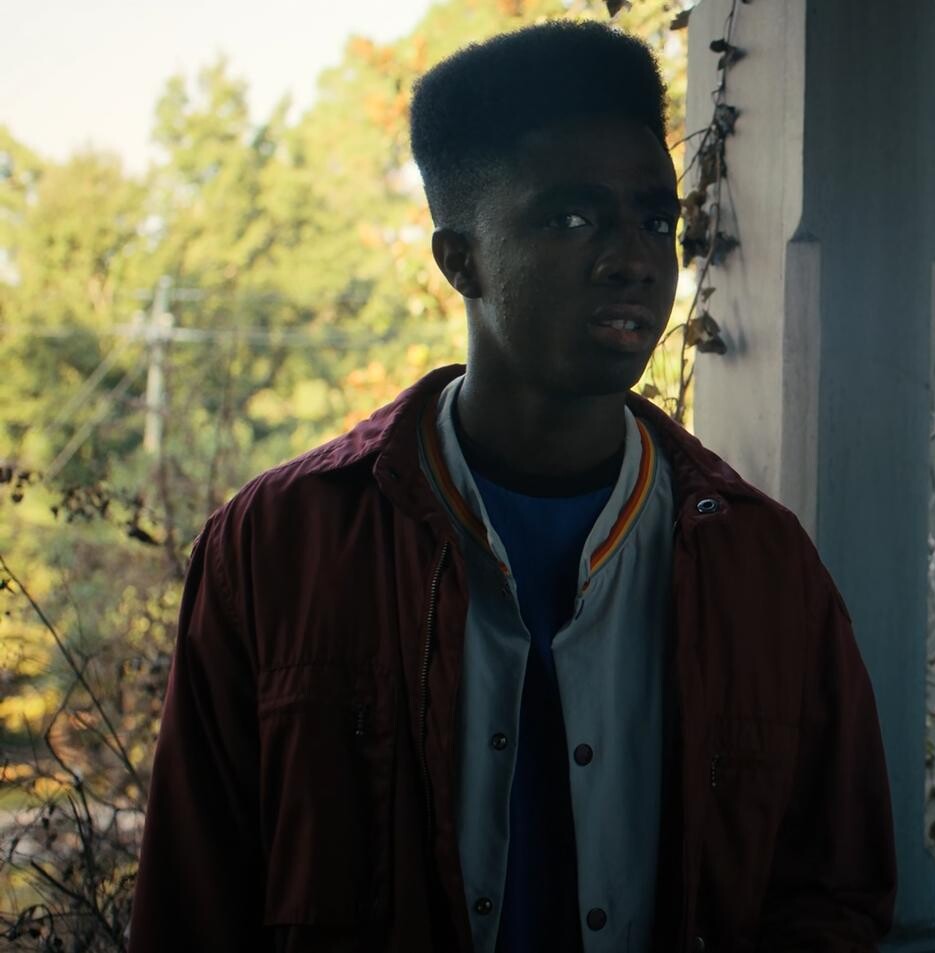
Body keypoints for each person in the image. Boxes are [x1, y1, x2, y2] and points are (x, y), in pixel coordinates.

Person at [129, 22, 895, 953]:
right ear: (461, 259)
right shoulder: (280, 546)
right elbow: (193, 900)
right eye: (572, 219)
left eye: (656, 221)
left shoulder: (760, 565)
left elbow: (832, 894)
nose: (633, 257)